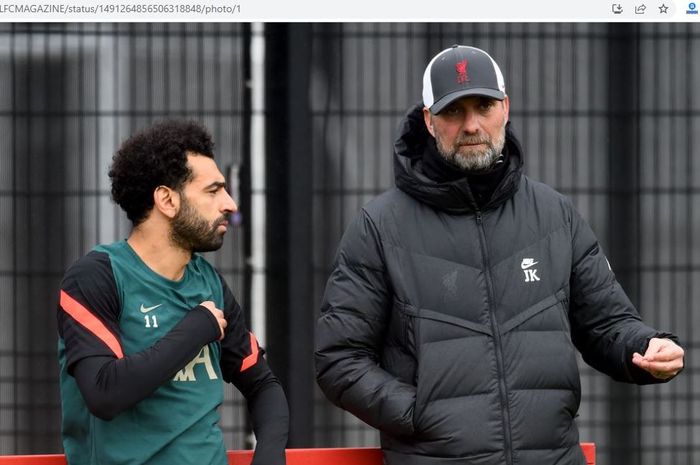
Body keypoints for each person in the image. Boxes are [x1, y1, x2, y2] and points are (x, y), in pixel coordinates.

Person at [314, 45, 684, 465]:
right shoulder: (379, 227)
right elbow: (339, 360)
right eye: (454, 111)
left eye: (484, 106)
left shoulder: (554, 215)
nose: (471, 124)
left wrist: (647, 346)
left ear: (505, 108)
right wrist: (420, 413)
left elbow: (607, 323)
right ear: (429, 121)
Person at [57, 120, 289, 465]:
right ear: (166, 199)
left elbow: (263, 385)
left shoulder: (208, 283)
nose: (230, 204)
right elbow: (105, 393)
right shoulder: (96, 276)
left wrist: (269, 454)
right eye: (213, 191)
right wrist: (196, 329)